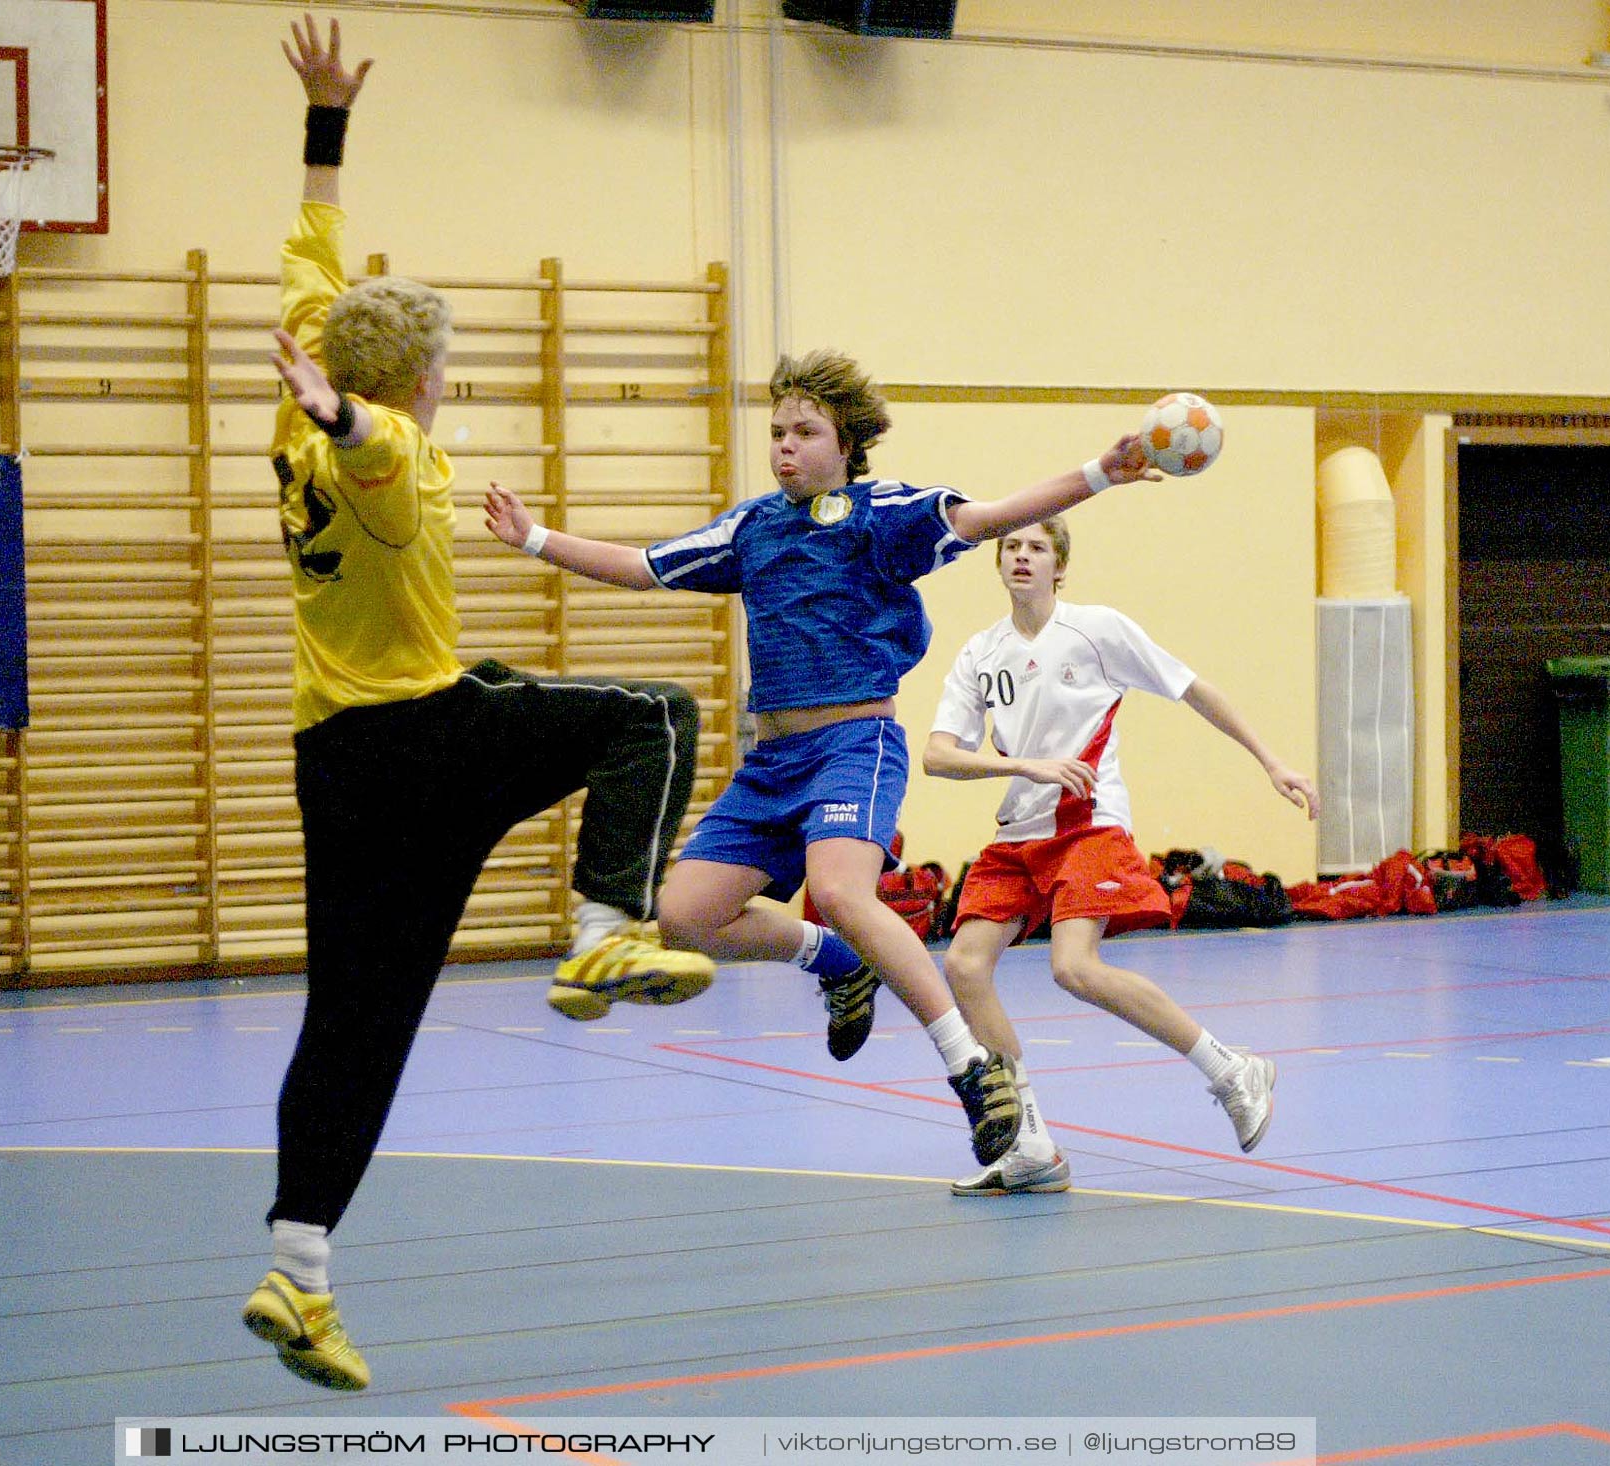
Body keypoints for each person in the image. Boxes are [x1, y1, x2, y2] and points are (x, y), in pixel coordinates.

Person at [243, 15, 714, 1392]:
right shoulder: (397, 464)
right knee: (655, 715)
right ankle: (602, 931)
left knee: (357, 1022)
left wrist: (326, 129)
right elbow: (378, 447)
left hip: (334, 759)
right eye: (438, 372)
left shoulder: (293, 408)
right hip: (421, 742)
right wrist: (353, 420)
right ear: (416, 384)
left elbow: (308, 257)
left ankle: (300, 1268)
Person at [485, 348, 1160, 1171]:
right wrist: (533, 539)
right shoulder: (753, 528)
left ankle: (974, 1071)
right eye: (776, 432)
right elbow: (640, 568)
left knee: (840, 889)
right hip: (772, 763)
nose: (785, 447)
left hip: (855, 744)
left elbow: (988, 516)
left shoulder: (883, 515)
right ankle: (835, 960)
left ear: (847, 446)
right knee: (687, 917)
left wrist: (1101, 473)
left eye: (805, 432)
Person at [924, 517, 1319, 1197]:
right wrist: (1025, 766)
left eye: (1037, 548)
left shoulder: (1097, 630)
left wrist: (1270, 761)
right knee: (963, 964)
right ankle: (1029, 1145)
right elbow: (938, 755)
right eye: (1011, 547)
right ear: (998, 563)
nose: (1022, 556)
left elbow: (1195, 689)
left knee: (1074, 967)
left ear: (1059, 566)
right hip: (1019, 831)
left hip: (1088, 824)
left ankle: (1231, 1070)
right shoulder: (980, 654)